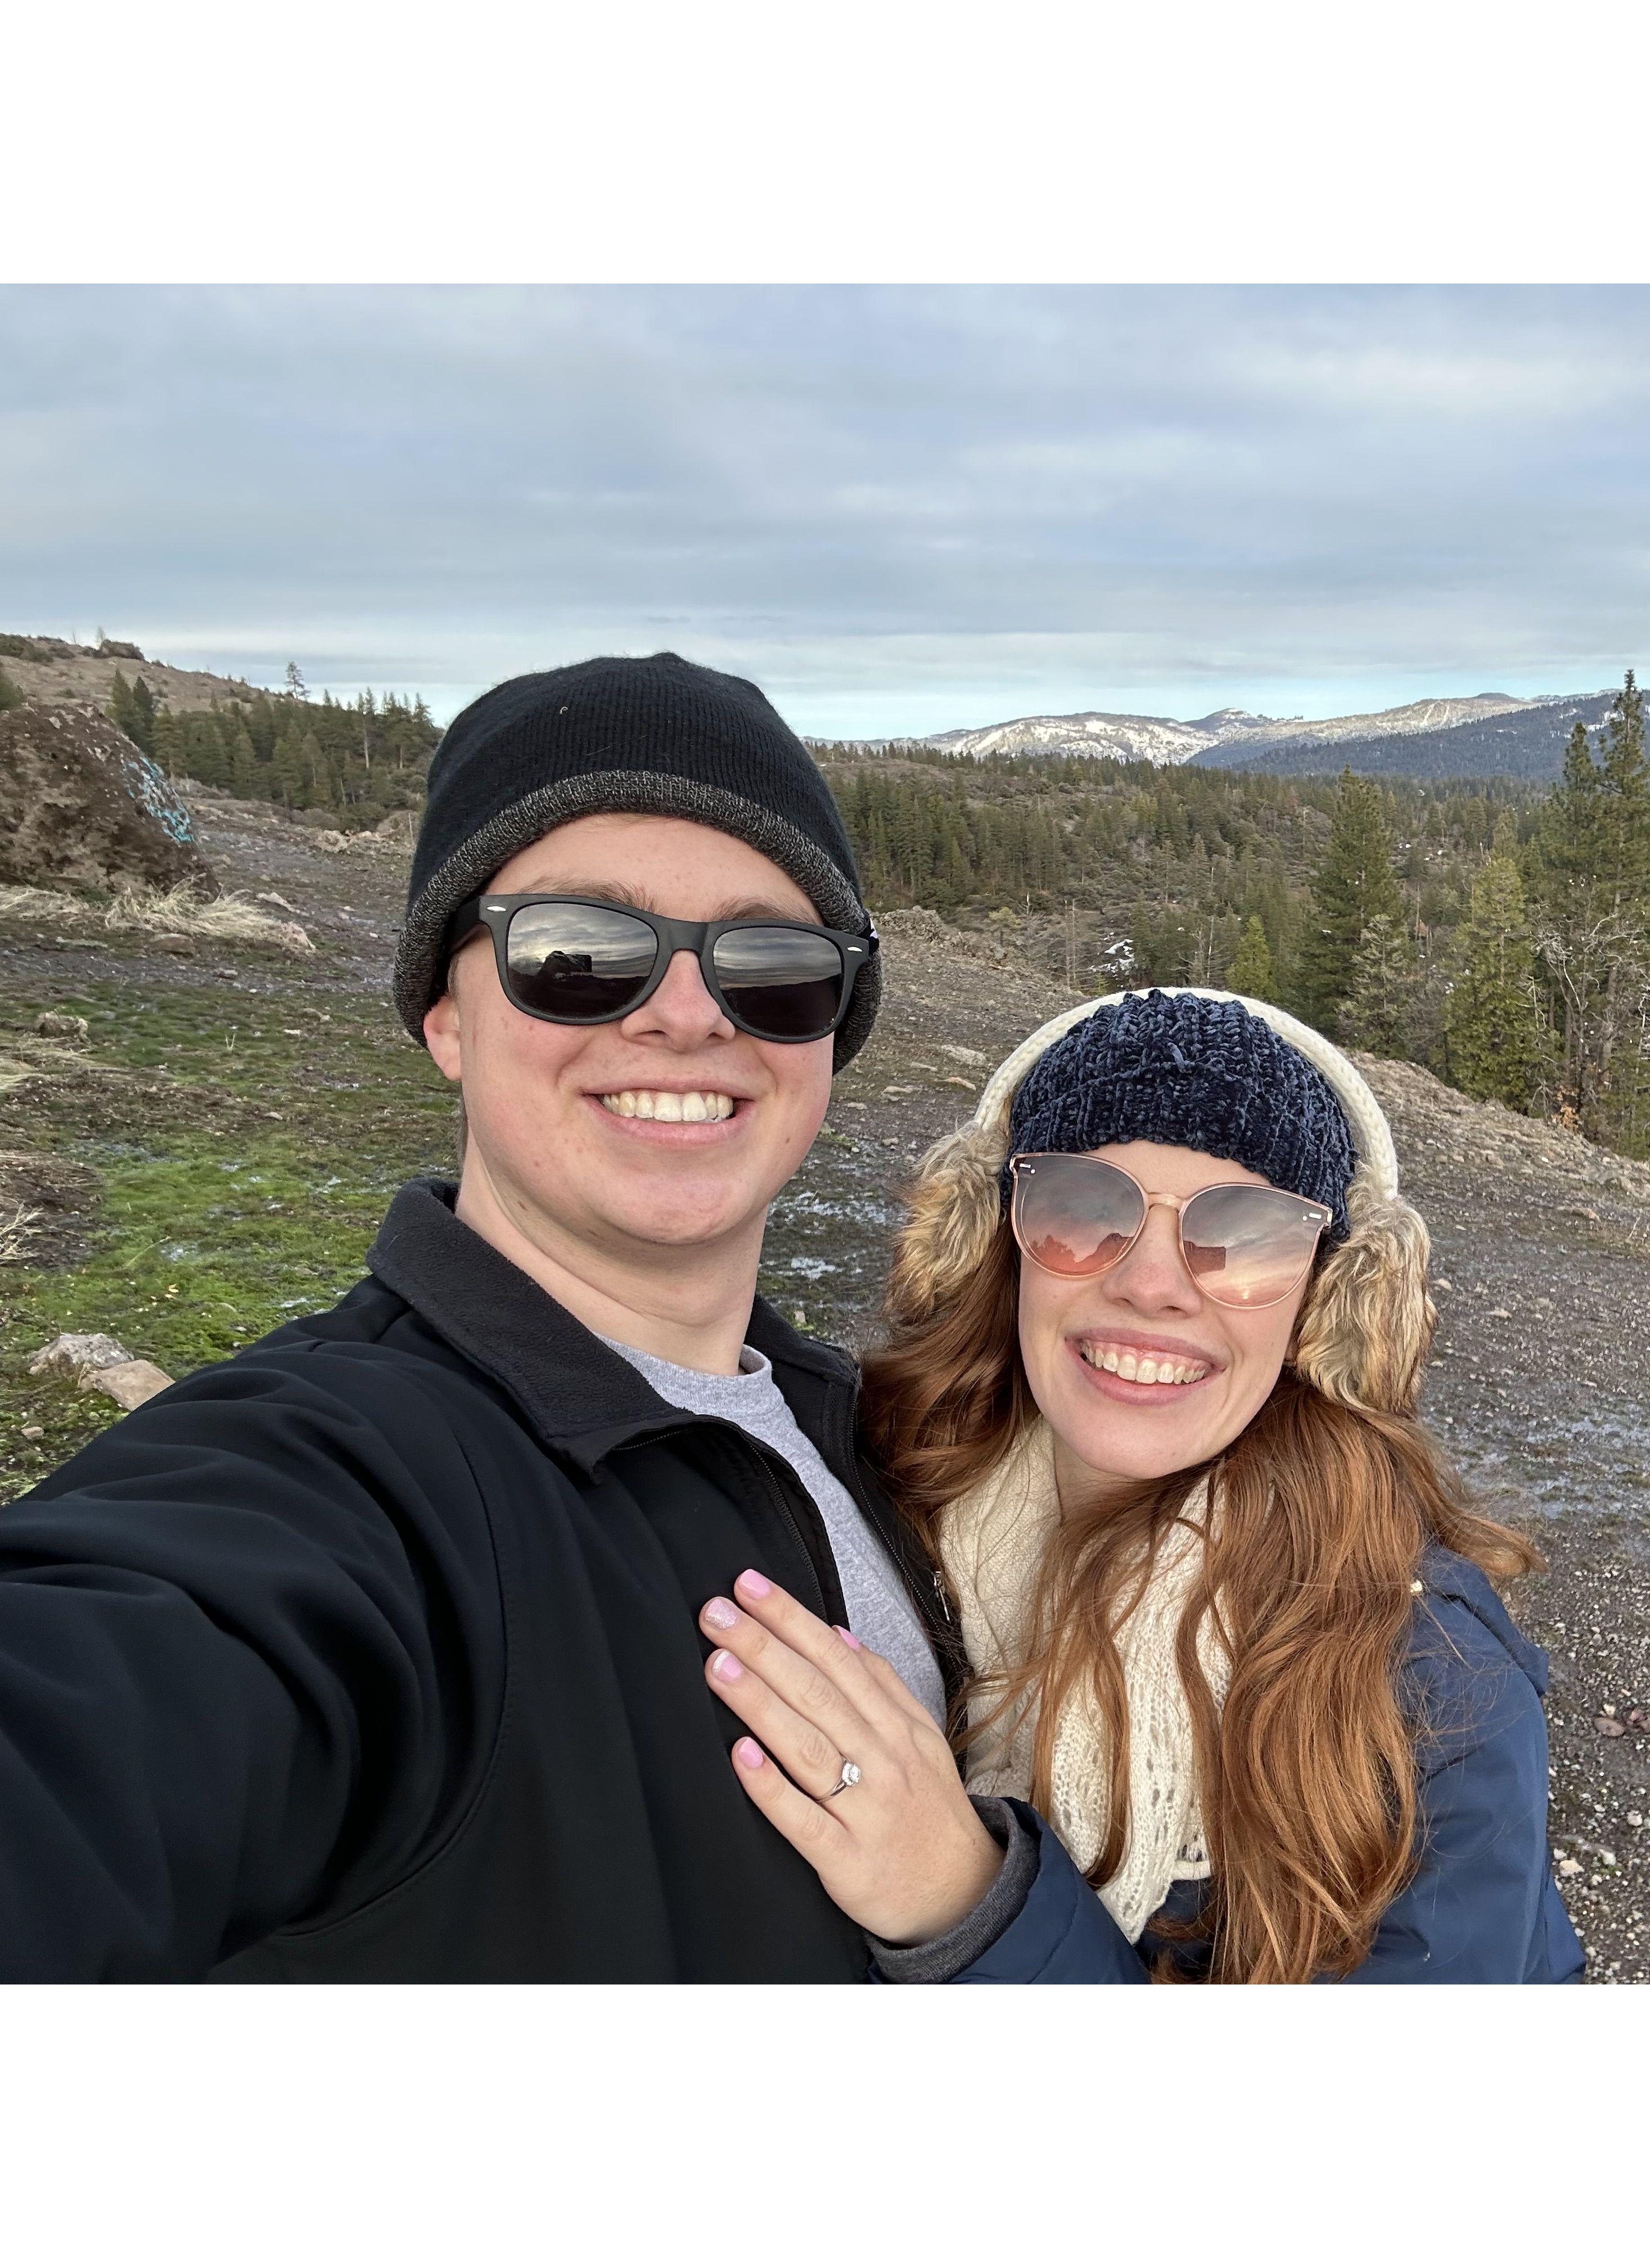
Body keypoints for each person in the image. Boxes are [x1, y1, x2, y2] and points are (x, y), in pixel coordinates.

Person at [0, 652, 1002, 1981]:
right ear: (444, 1015)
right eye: (579, 954)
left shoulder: (863, 1425)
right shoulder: (342, 1486)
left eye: (771, 961)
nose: (689, 1016)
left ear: (831, 1028)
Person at [692, 987, 1587, 1982]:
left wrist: (964, 1900)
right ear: (1002, 1240)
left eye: (1246, 1234)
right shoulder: (880, 1491)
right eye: (1084, 1207)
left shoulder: (1430, 1683)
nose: (1153, 1283)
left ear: (1322, 1297)